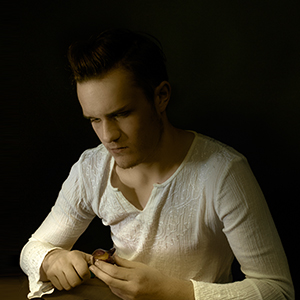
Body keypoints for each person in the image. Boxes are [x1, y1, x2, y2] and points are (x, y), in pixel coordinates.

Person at [20, 28, 294, 300]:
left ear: (161, 96)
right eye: (94, 120)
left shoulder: (223, 173)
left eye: (121, 114)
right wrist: (51, 259)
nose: (108, 136)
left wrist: (169, 291)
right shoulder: (91, 169)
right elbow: (32, 249)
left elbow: (277, 290)